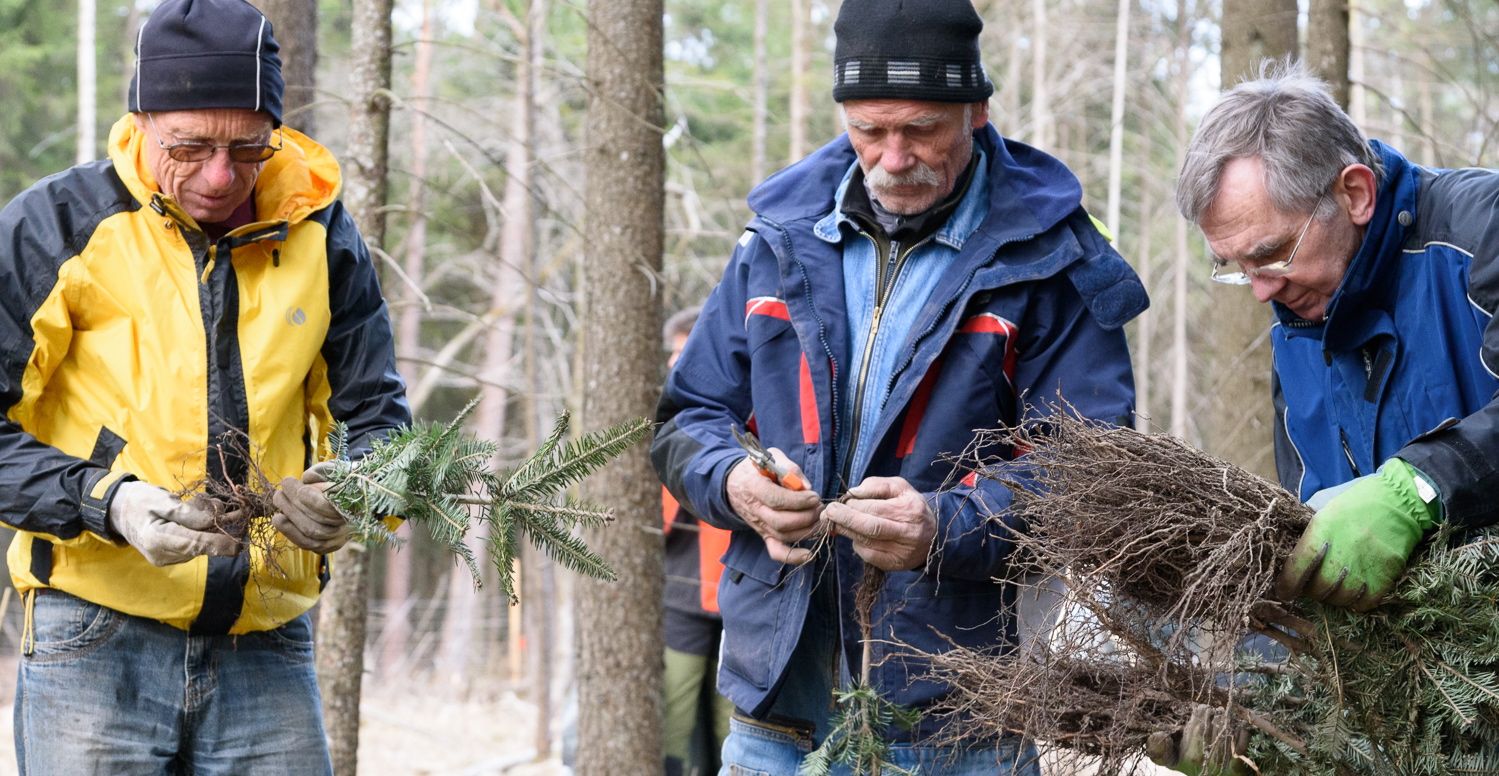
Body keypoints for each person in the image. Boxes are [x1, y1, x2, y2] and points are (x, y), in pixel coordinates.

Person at [651, 0, 1148, 771]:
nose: (890, 157)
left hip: (959, 716)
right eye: (868, 131)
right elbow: (687, 418)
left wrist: (945, 527)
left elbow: (1090, 472)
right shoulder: (776, 237)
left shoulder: (1054, 258)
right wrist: (733, 486)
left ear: (976, 111)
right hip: (776, 703)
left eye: (920, 130)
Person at [0, 0, 409, 772]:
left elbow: (379, 415)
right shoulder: (55, 228)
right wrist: (106, 501)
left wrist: (362, 491)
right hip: (94, 633)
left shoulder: (321, 235)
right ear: (141, 119)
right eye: (189, 146)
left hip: (267, 641)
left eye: (248, 149)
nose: (221, 177)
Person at [1154, 58, 1499, 773]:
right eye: (1232, 268)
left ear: (1354, 192)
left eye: (1270, 254)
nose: (1257, 292)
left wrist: (1420, 488)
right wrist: (1266, 731)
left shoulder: (1480, 230)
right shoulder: (1296, 322)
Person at [659, 306, 734, 776]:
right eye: (672, 353)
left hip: (738, 591)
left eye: (684, 353)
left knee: (733, 723)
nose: (675, 363)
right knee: (674, 714)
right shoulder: (661, 415)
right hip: (680, 594)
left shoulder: (737, 403)